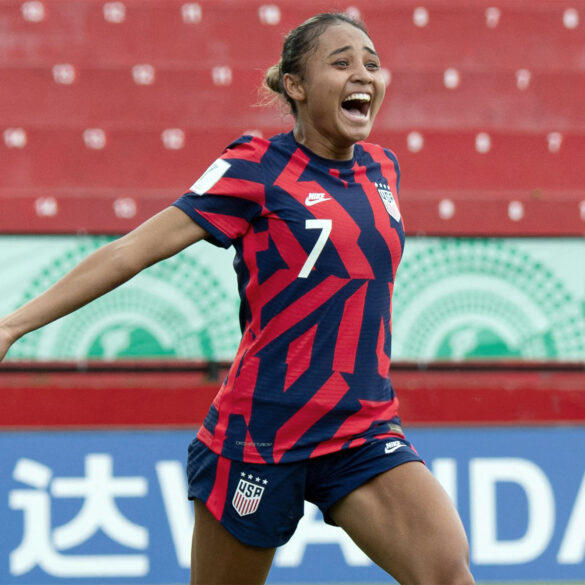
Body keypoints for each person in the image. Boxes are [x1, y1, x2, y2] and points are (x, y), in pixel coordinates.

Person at [0, 12, 475, 585]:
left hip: (362, 426)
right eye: (342, 62)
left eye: (372, 64)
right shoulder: (255, 166)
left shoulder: (383, 169)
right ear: (295, 86)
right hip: (260, 435)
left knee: (447, 572)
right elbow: (132, 251)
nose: (364, 75)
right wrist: (12, 326)